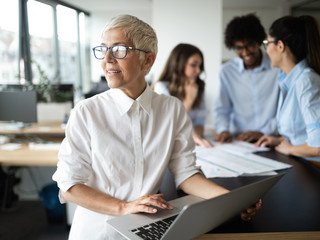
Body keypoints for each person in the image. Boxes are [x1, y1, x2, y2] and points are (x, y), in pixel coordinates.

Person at [52, 14, 261, 239]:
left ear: (148, 61)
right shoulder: (87, 112)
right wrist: (124, 207)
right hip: (99, 231)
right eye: (103, 49)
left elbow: (186, 174)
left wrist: (232, 201)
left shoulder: (172, 109)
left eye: (120, 50)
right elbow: (69, 186)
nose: (108, 59)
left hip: (145, 228)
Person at [255, 15, 320, 190]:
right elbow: (303, 131)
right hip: (307, 171)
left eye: (267, 44)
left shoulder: (307, 82)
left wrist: (289, 149)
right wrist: (279, 140)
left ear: (280, 46)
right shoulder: (290, 81)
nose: (266, 51)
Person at [213, 14, 280, 144]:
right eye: (239, 48)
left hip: (271, 139)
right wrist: (223, 130)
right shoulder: (227, 72)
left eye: (250, 45)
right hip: (240, 141)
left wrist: (264, 132)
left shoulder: (277, 68)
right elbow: (222, 109)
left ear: (259, 41)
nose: (245, 53)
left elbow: (284, 111)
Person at [152, 43, 212, 148]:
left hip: (189, 144)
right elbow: (173, 124)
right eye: (193, 65)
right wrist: (189, 99)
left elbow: (199, 123)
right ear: (179, 64)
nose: (198, 71)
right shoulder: (161, 87)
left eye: (200, 66)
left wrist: (196, 135)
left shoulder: (198, 87)